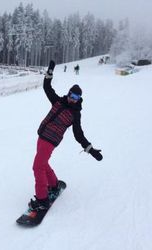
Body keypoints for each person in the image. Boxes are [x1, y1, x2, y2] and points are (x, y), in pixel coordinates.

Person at [29, 60, 103, 211]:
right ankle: (54, 184)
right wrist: (49, 72)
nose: (72, 99)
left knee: (37, 167)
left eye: (75, 98)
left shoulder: (75, 114)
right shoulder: (58, 102)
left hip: (50, 141)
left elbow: (79, 135)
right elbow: (47, 87)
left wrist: (91, 149)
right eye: (71, 95)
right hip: (41, 136)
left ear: (79, 99)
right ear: (68, 94)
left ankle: (42, 200)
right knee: (43, 164)